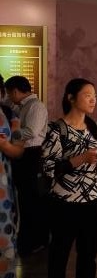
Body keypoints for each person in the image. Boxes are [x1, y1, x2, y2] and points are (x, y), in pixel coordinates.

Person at [42, 79, 97, 278]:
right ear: (71, 97)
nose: (93, 99)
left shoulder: (95, 126)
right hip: (64, 201)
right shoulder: (56, 129)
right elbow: (49, 168)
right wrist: (81, 159)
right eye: (87, 94)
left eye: (94, 95)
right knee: (60, 251)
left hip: (92, 198)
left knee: (89, 249)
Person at [4, 75, 49, 256]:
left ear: (15, 91)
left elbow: (31, 131)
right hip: (25, 155)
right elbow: (7, 103)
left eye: (9, 93)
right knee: (25, 199)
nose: (8, 97)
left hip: (32, 155)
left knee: (32, 199)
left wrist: (10, 135)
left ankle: (37, 241)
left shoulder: (36, 106)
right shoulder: (21, 105)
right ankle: (28, 240)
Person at [0, 103, 24, 278]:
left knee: (3, 245)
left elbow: (19, 149)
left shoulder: (10, 114)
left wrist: (5, 146)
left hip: (2, 197)